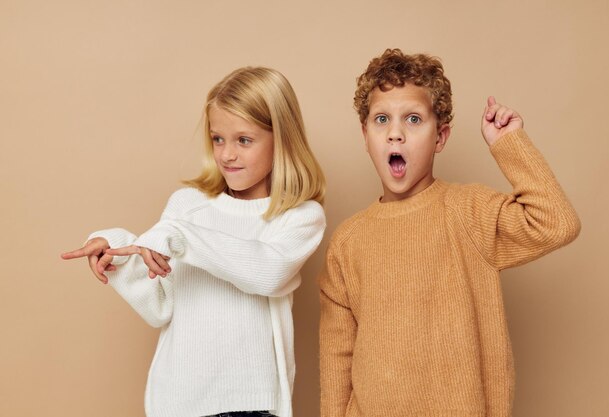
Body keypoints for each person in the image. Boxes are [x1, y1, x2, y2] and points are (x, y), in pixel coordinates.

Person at [318, 49, 581, 417]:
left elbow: (557, 222)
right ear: (365, 135)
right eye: (381, 119)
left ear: (440, 137)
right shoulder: (347, 241)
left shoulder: (469, 211)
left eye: (412, 119)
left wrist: (509, 144)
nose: (395, 134)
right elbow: (337, 357)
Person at [62, 67, 326, 417]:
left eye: (243, 140)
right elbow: (160, 307)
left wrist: (181, 237)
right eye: (218, 139)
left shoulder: (298, 215)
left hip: (252, 404)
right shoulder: (187, 206)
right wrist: (120, 255)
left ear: (282, 138)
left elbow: (268, 271)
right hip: (180, 401)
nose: (227, 154)